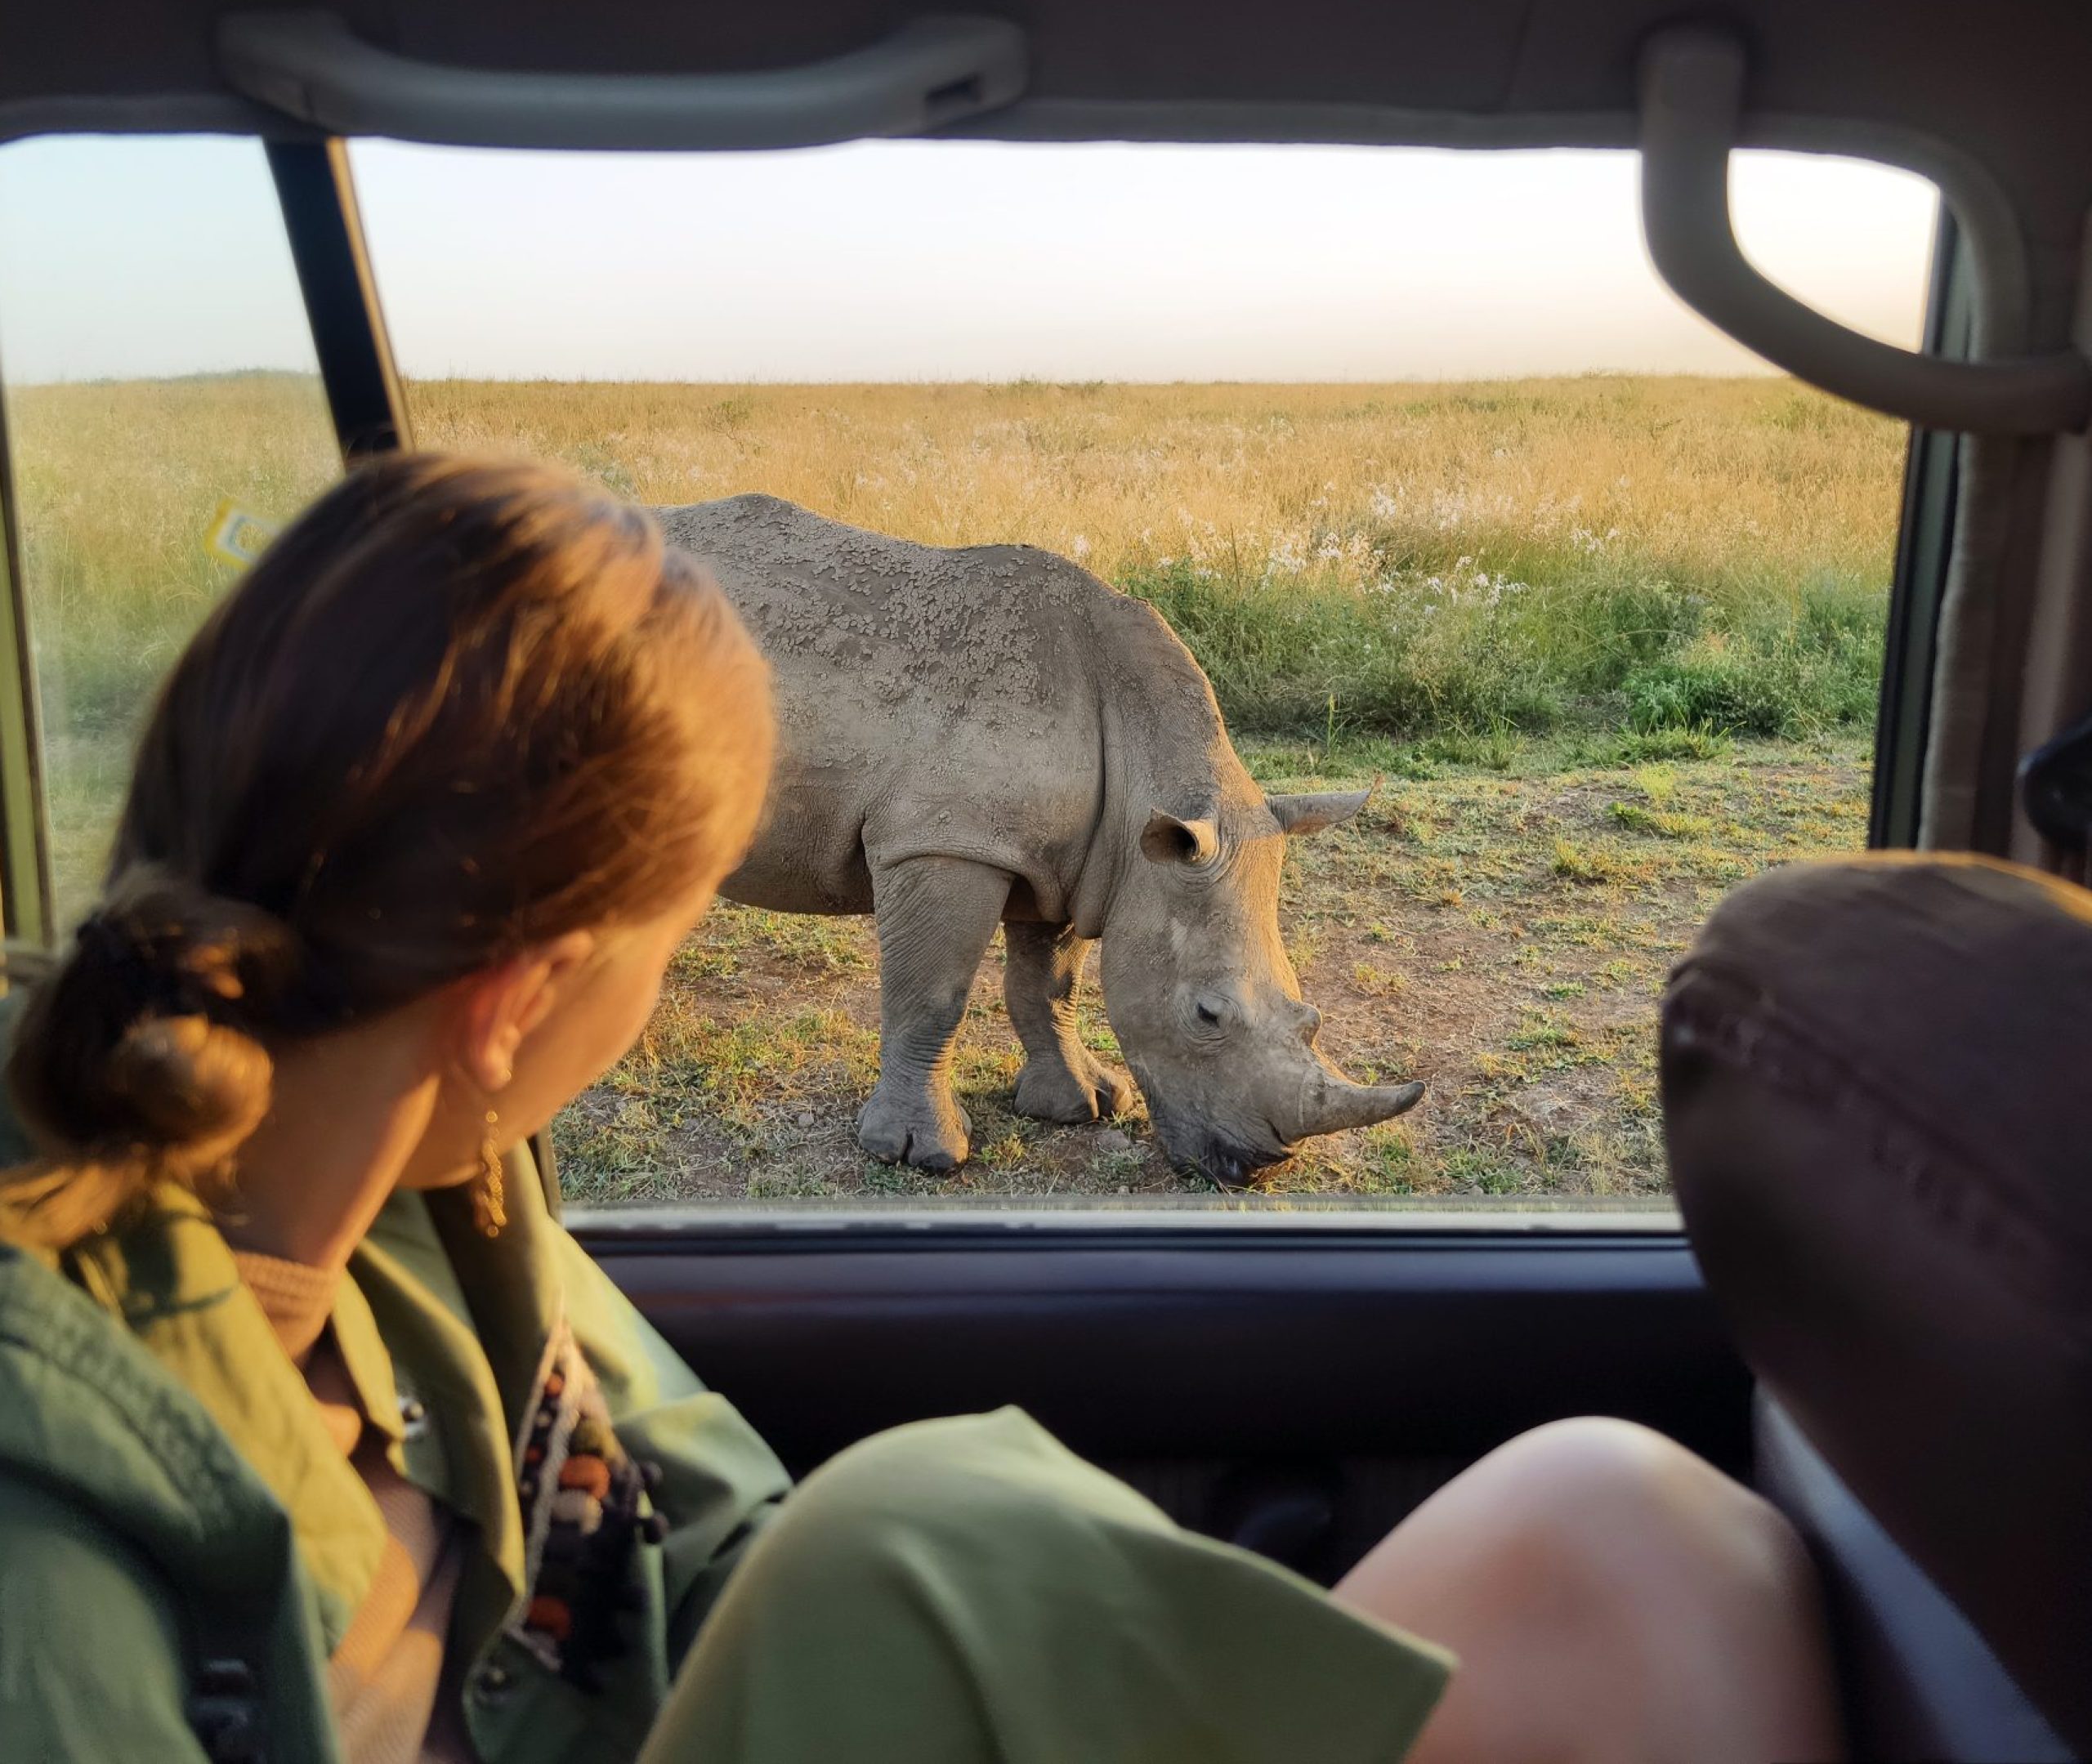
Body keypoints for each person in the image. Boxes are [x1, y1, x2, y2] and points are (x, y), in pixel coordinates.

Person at [0, 454, 1842, 1764]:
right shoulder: (46, 1546)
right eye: (670, 926)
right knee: (926, 1521)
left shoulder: (436, 1199)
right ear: (516, 998)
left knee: (1613, 1521)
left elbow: (704, 1543)